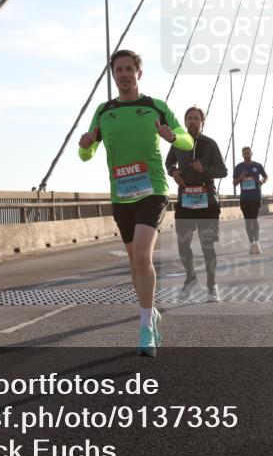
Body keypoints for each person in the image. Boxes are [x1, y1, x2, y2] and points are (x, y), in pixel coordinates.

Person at [79, 49, 193, 356]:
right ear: (113, 75)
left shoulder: (155, 107)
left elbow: (187, 140)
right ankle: (151, 311)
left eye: (130, 69)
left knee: (142, 257)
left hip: (152, 190)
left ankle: (145, 327)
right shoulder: (104, 111)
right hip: (121, 194)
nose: (125, 74)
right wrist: (86, 145)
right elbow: (86, 154)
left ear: (139, 74)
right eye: (119, 70)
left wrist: (173, 136)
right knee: (134, 261)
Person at [166, 105, 227, 302]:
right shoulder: (177, 144)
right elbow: (168, 163)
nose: (192, 121)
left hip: (206, 198)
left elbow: (223, 171)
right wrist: (173, 172)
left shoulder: (210, 144)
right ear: (185, 122)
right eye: (189, 118)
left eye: (196, 118)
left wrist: (206, 170)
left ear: (202, 122)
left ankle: (212, 286)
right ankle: (190, 277)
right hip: (185, 198)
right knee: (183, 244)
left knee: (207, 245)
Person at [233, 146, 268, 254]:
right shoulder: (239, 167)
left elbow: (266, 176)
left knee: (254, 219)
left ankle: (257, 243)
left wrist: (262, 181)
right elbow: (234, 183)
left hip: (255, 197)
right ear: (242, 154)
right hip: (244, 199)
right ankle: (251, 244)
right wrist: (241, 177)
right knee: (248, 222)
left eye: (248, 153)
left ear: (252, 153)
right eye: (244, 154)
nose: (246, 155)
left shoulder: (257, 166)